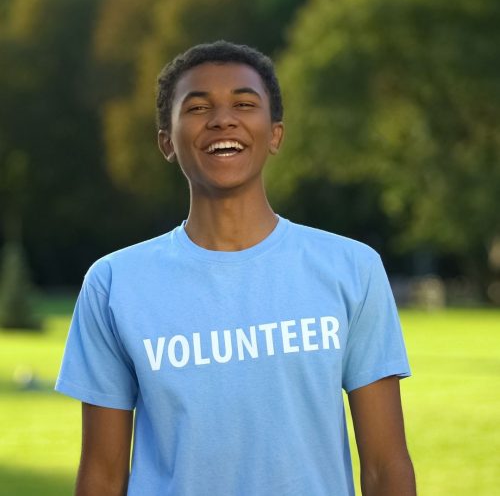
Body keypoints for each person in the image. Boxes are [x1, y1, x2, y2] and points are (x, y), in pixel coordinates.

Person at [55, 40, 416, 496]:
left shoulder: (352, 268)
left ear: (275, 134)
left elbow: (386, 467)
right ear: (167, 140)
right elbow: (103, 476)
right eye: (198, 106)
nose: (223, 119)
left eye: (244, 103)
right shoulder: (113, 284)